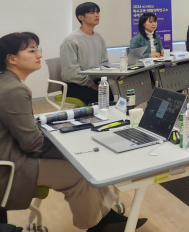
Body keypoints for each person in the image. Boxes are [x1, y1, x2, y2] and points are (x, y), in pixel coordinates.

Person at [0, 32, 147, 231]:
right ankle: (96, 226)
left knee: (86, 166)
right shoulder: (13, 90)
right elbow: (32, 144)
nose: (39, 55)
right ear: (11, 58)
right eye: (32, 50)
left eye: (37, 49)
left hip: (14, 153)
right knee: (80, 174)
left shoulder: (8, 83)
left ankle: (108, 217)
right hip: (11, 166)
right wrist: (67, 153)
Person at [60, 2, 108, 105]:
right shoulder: (71, 40)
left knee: (118, 90)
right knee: (103, 97)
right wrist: (91, 84)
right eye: (92, 13)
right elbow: (71, 73)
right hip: (75, 84)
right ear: (81, 17)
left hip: (95, 80)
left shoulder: (99, 37)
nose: (97, 15)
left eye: (97, 12)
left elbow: (104, 62)